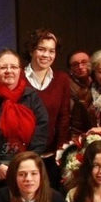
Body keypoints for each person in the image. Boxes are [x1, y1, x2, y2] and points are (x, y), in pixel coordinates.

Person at [0, 48, 50, 182]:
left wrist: (29, 161)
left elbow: (42, 128)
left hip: (28, 171)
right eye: (3, 67)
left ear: (20, 71)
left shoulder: (31, 96)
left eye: (14, 67)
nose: (9, 71)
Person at [22, 28, 75, 169]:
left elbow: (63, 119)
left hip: (51, 156)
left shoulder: (62, 79)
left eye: (51, 51)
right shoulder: (18, 78)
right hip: (23, 156)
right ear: (31, 50)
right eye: (41, 49)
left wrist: (60, 153)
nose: (46, 55)